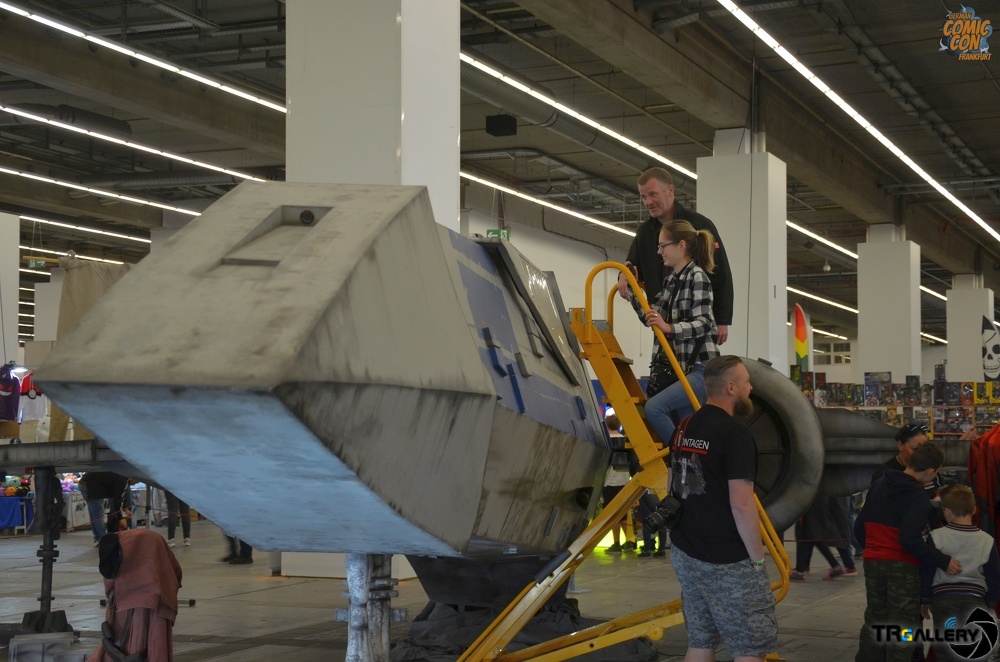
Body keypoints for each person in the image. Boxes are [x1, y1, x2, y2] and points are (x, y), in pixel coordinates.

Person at [668, 355, 777, 661]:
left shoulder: (683, 426)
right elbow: (742, 504)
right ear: (731, 387)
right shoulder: (735, 434)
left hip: (685, 551)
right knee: (750, 647)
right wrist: (757, 560)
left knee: (701, 640)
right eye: (746, 382)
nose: (750, 388)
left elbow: (671, 484)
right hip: (727, 559)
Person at [854, 442, 961, 662]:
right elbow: (909, 540)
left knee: (875, 619)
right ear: (930, 471)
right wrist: (942, 560)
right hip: (902, 568)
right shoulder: (917, 496)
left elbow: (858, 527)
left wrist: (874, 549)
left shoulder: (879, 484)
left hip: (873, 562)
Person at [617, 167, 733, 344]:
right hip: (664, 321)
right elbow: (631, 264)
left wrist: (722, 318)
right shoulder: (644, 233)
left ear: (670, 190)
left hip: (695, 322)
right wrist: (623, 274)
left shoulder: (699, 224)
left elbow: (720, 271)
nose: (648, 202)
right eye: (643, 197)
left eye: (653, 194)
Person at [638, 220, 720, 446]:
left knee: (654, 408)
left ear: (681, 245)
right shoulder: (672, 280)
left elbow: (704, 322)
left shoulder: (698, 276)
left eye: (663, 245)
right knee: (688, 428)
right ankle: (689, 458)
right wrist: (632, 291)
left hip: (701, 368)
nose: (659, 251)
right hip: (683, 368)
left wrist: (670, 328)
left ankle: (682, 455)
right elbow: (652, 316)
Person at [921, 484, 1000, 662]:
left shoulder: (936, 536)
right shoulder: (987, 540)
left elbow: (927, 571)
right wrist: (991, 602)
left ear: (947, 511)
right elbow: (994, 576)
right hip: (976, 600)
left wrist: (924, 600)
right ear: (974, 510)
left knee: (945, 651)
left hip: (943, 600)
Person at [789, 496, 856, 582]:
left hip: (811, 500)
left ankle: (800, 571)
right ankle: (802, 569)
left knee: (805, 533)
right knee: (811, 535)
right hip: (819, 500)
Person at [602, 414, 633, 553]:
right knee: (624, 513)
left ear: (606, 425)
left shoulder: (606, 441)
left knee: (613, 515)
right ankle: (629, 541)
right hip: (624, 480)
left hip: (610, 481)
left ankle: (616, 543)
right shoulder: (625, 440)